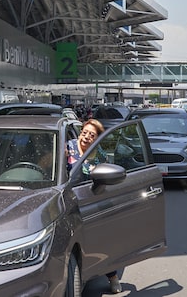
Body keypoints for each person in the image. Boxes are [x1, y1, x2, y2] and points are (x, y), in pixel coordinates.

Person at [65, 119, 122, 294]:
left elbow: (105, 179)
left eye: (92, 135)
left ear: (96, 139)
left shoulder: (99, 154)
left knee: (101, 240)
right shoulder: (68, 147)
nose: (86, 137)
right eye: (85, 132)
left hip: (90, 201)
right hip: (67, 201)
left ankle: (112, 276)